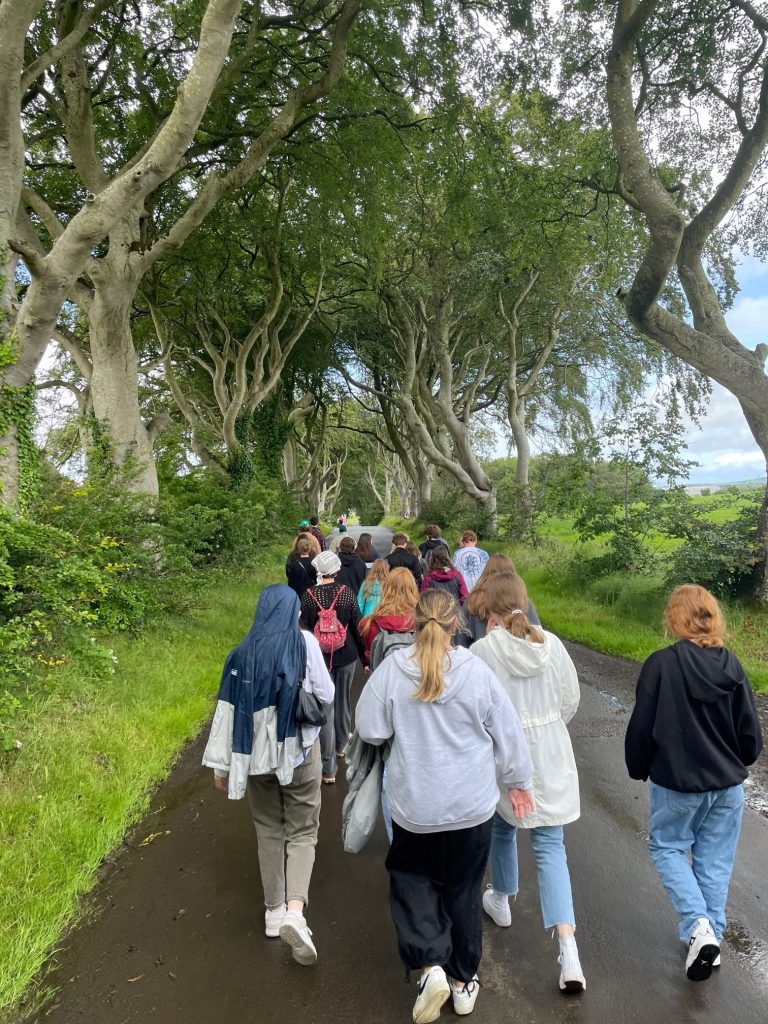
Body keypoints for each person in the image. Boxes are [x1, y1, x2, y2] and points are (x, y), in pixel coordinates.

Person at [356, 590, 534, 1023]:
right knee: (464, 890)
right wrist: (519, 782)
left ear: (415, 623)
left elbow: (370, 729)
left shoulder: (392, 671)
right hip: (472, 808)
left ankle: (431, 964)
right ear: (457, 624)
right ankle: (462, 982)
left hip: (416, 807)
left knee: (414, 881)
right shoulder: (477, 672)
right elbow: (508, 733)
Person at [624, 584, 762, 982]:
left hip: (678, 785)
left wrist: (638, 766)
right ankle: (710, 939)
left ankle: (699, 927)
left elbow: (642, 727)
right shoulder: (732, 666)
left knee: (667, 848)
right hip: (727, 785)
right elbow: (750, 735)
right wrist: (738, 760)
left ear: (673, 617)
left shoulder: (660, 665)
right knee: (714, 862)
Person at [202, 584, 334, 966]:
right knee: (303, 830)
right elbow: (325, 695)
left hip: (255, 759)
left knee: (268, 828)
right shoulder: (305, 643)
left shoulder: (239, 655)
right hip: (299, 754)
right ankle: (296, 909)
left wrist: (222, 766)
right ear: (294, 612)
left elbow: (226, 712)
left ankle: (273, 912)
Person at [471, 572, 586, 993]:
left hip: (505, 753)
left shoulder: (483, 650)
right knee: (550, 844)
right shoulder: (551, 644)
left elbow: (477, 707)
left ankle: (501, 897)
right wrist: (548, 728)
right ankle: (568, 951)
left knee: (501, 825)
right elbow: (569, 699)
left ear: (489, 609)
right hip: (552, 749)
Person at [300, 550, 366, 782]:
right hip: (346, 654)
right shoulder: (346, 593)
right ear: (336, 571)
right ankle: (342, 747)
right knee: (343, 701)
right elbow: (358, 626)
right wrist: (364, 658)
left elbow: (304, 628)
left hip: (319, 658)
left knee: (325, 706)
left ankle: (328, 770)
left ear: (318, 570)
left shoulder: (308, 595)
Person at [456, 554, 540, 648]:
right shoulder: (523, 602)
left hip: (479, 657)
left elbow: (460, 641)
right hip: (518, 656)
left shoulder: (472, 601)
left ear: (486, 572)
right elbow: (538, 635)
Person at [360, 566, 419, 665]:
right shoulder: (421, 622)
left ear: (386, 588)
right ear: (413, 589)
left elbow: (370, 657)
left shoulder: (369, 624)